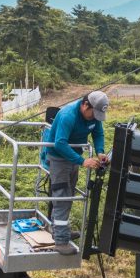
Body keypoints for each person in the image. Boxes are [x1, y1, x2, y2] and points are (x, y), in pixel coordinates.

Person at [44, 91, 110, 255]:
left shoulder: (93, 117)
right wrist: (82, 161)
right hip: (59, 159)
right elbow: (59, 143)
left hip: (73, 158)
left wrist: (100, 151)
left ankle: (60, 230)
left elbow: (98, 133)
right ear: (85, 104)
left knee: (69, 194)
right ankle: (60, 241)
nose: (94, 117)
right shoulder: (68, 115)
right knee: (62, 198)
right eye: (93, 113)